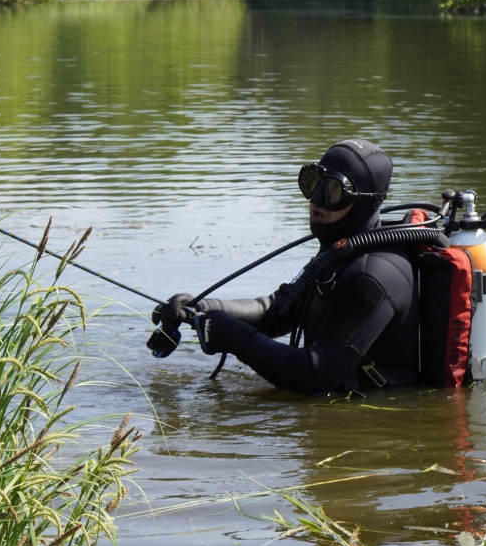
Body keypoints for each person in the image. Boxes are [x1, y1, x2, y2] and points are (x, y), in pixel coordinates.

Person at [146, 139, 419, 396]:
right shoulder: (338, 253)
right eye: (312, 183)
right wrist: (202, 308)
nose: (316, 199)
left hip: (373, 417)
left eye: (333, 190)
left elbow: (313, 375)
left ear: (365, 201)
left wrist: (231, 336)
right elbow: (278, 311)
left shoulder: (371, 274)